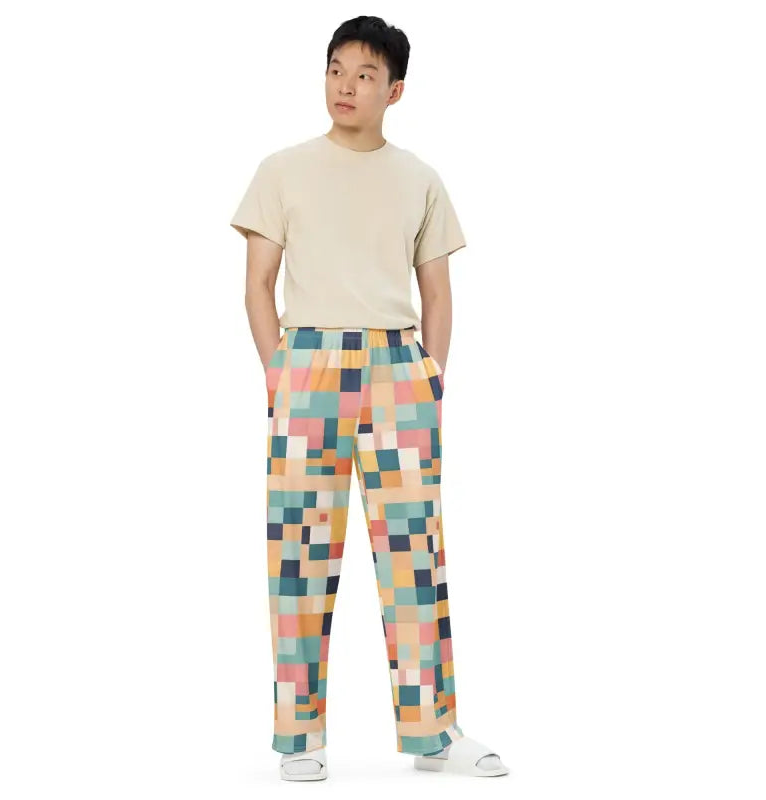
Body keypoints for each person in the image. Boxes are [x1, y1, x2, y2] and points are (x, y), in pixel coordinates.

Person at [229, 16, 509, 781]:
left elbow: (437, 291)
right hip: (308, 363)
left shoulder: (419, 178)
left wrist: (432, 379)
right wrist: (280, 374)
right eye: (335, 69)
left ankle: (434, 733)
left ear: (396, 90)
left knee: (414, 554)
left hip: (397, 366)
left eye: (363, 74)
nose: (345, 86)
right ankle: (299, 736)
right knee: (299, 553)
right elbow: (257, 285)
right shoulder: (282, 169)